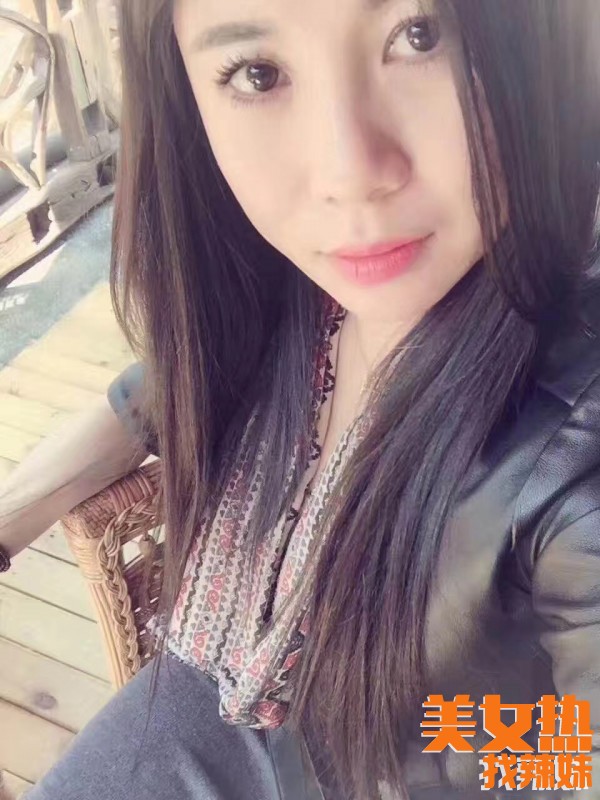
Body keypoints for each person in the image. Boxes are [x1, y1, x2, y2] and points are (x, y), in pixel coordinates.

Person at [1, 0, 599, 797]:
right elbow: (157, 398)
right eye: (258, 73)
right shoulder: (293, 289)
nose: (350, 175)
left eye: (419, 34)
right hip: (226, 687)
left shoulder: (573, 454)